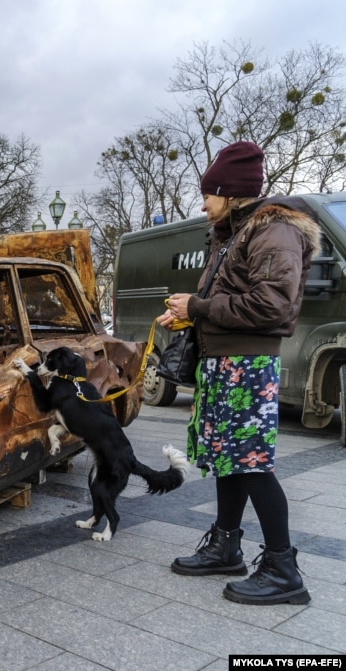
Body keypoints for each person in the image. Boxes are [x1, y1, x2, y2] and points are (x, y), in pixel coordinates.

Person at [158, 141, 319, 606]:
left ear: (230, 191)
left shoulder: (274, 230)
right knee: (230, 458)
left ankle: (283, 569)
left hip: (246, 364)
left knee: (251, 464)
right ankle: (226, 545)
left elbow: (274, 303)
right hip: (225, 361)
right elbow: (236, 299)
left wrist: (200, 306)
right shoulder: (234, 233)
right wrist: (192, 315)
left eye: (208, 192)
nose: (203, 202)